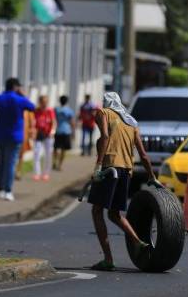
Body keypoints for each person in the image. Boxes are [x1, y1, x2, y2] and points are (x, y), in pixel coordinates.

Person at [87, 92, 157, 271]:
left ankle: (108, 259)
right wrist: (152, 177)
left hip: (110, 168)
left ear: (107, 103)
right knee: (114, 214)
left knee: (97, 211)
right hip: (126, 171)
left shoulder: (103, 113)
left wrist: (98, 166)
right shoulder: (132, 122)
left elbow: (104, 137)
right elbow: (143, 155)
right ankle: (138, 242)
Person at [0, 78, 35, 201]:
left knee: (1, 162)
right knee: (10, 163)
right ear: (15, 87)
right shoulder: (20, 100)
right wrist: (23, 95)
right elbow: (32, 107)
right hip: (15, 137)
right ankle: (7, 190)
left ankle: (0, 189)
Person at [32, 95, 56, 181]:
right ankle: (37, 173)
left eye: (45, 102)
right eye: (42, 102)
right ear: (40, 102)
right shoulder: (36, 111)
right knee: (36, 154)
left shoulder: (50, 111)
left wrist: (52, 132)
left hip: (48, 135)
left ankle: (46, 173)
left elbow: (53, 122)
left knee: (48, 154)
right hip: (39, 134)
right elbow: (33, 122)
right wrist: (33, 131)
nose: (44, 104)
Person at [53, 95, 76, 171]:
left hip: (58, 130)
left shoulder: (56, 109)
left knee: (56, 148)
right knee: (64, 149)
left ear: (60, 101)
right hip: (66, 131)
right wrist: (73, 133)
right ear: (66, 102)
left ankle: (54, 162)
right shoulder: (69, 110)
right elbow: (72, 122)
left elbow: (53, 119)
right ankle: (60, 165)